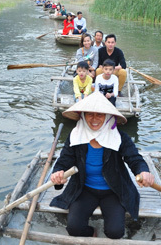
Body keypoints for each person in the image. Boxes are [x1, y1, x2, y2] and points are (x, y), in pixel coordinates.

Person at [50, 92, 154, 239]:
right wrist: (58, 173)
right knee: (74, 228)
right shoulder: (75, 135)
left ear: (108, 117)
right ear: (83, 116)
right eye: (89, 114)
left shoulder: (119, 137)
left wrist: (144, 172)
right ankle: (91, 232)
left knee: (115, 232)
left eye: (100, 114)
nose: (94, 119)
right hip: (84, 188)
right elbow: (64, 160)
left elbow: (135, 159)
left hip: (114, 190)